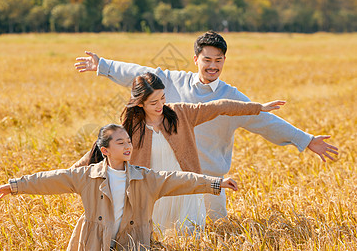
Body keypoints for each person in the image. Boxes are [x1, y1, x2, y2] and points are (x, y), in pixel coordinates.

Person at [73, 31, 339, 220]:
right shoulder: (172, 81)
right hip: (170, 180)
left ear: (224, 61)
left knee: (218, 228)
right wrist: (103, 65)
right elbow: (137, 73)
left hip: (210, 180)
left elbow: (265, 120)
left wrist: (305, 140)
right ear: (196, 60)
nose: (213, 66)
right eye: (207, 60)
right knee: (158, 230)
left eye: (218, 60)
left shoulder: (231, 96)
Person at [72, 72, 284, 233]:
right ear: (140, 103)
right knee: (155, 237)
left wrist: (257, 107)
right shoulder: (131, 126)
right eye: (153, 102)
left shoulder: (181, 112)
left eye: (163, 98)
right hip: (154, 192)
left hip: (184, 188)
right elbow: (100, 151)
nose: (161, 105)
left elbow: (218, 106)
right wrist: (70, 174)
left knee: (190, 234)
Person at [0, 124, 238, 251]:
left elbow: (179, 179)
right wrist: (14, 186)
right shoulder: (86, 176)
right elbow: (50, 179)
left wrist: (215, 183)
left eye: (129, 141)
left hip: (133, 242)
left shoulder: (146, 178)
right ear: (105, 150)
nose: (128, 146)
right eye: (121, 143)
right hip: (95, 242)